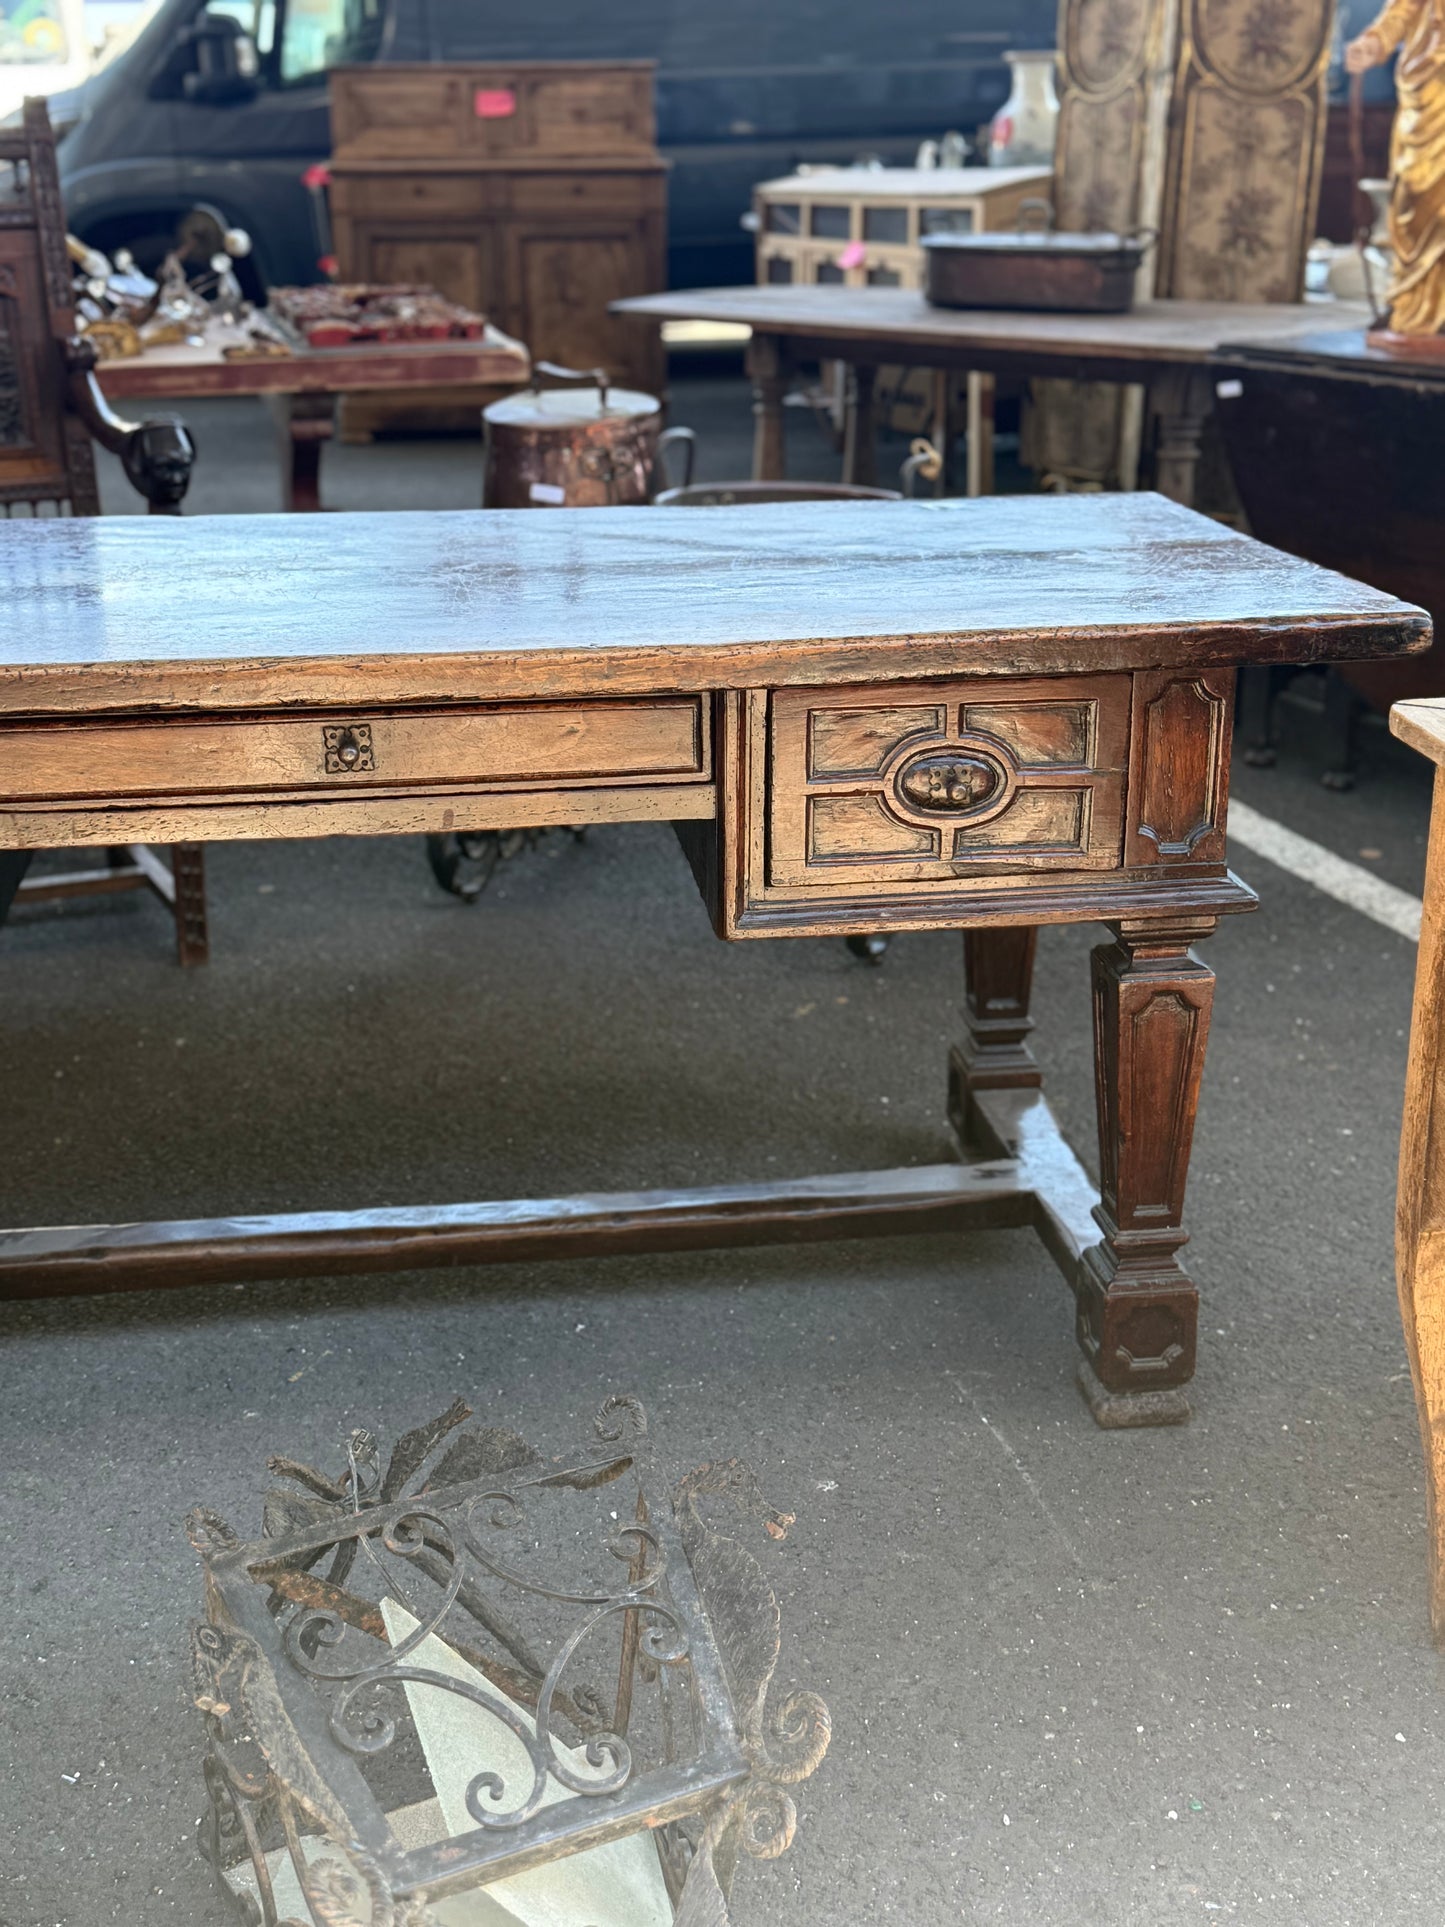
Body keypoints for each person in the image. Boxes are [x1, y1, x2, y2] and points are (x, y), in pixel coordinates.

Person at [1347, 0, 1445, 333]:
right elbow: (1402, 10)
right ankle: (1414, 304)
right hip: (1427, 86)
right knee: (1412, 199)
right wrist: (1373, 44)